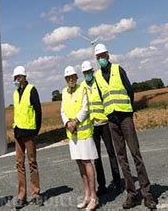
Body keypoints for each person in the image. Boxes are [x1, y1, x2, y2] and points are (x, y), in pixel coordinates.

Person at [93, 44, 157, 210]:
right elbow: (102, 97)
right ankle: (131, 193)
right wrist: (109, 114)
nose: (101, 58)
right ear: (96, 59)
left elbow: (129, 91)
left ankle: (147, 193)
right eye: (98, 56)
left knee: (135, 153)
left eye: (103, 55)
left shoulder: (118, 70)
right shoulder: (97, 77)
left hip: (125, 117)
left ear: (108, 55)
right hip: (112, 120)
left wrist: (127, 110)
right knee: (121, 157)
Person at [81, 59, 121, 198]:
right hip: (93, 125)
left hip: (104, 122)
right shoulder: (82, 87)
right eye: (85, 73)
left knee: (111, 153)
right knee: (96, 157)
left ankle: (117, 182)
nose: (87, 74)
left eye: (88, 72)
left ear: (92, 71)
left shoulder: (98, 81)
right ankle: (102, 185)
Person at [60, 66, 98, 211]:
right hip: (73, 135)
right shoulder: (64, 92)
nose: (70, 79)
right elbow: (63, 110)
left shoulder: (82, 89)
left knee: (87, 162)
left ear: (76, 77)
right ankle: (87, 195)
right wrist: (67, 123)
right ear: (65, 79)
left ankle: (94, 197)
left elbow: (85, 108)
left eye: (72, 77)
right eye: (68, 77)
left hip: (84, 133)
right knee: (79, 164)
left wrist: (75, 121)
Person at [12, 65, 44, 208]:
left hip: (29, 132)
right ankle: (21, 195)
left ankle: (36, 194)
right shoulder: (15, 93)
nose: (17, 79)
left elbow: (38, 110)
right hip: (18, 133)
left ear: (24, 77)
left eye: (18, 77)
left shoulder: (32, 90)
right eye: (15, 77)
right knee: (19, 164)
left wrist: (36, 130)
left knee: (32, 163)